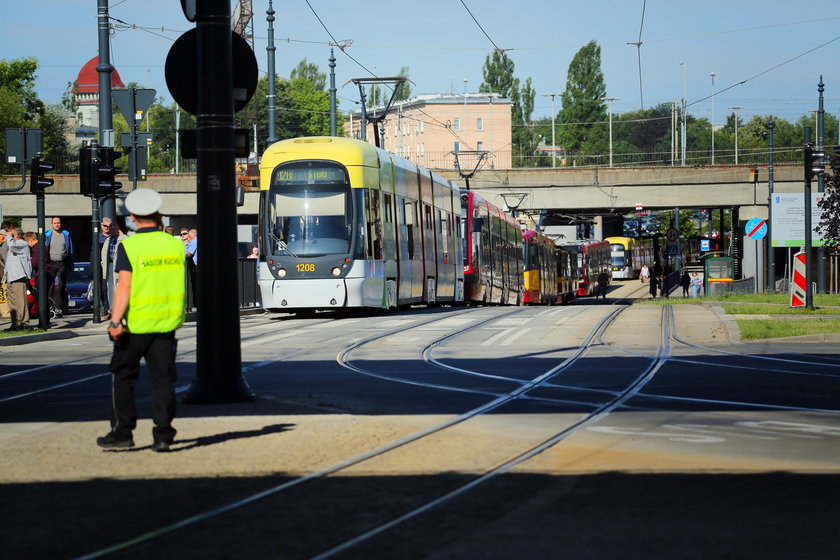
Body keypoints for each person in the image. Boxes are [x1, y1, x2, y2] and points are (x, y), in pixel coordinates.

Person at [97, 189, 186, 452]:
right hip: (166, 323)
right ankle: (163, 434)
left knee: (123, 378)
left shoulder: (130, 246)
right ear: (157, 215)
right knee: (163, 381)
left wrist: (115, 321)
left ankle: (123, 432)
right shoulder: (176, 245)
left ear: (133, 217)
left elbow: (124, 286)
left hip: (134, 324)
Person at [2, 228, 33, 330]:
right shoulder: (14, 244)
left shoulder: (22, 243)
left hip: (19, 277)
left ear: (17, 236)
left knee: (20, 301)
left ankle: (24, 323)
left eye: (12, 235)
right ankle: (15, 323)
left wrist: (9, 235)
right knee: (12, 303)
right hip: (11, 277)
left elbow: (12, 245)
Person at [45, 217, 74, 316]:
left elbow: (70, 251)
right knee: (50, 286)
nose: (56, 225)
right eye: (54, 223)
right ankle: (50, 307)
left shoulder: (66, 234)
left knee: (59, 285)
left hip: (62, 263)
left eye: (58, 223)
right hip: (50, 264)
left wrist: (71, 267)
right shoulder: (47, 234)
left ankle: (58, 307)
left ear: (61, 224)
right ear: (52, 224)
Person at [100, 222, 127, 317]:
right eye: (109, 229)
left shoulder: (124, 239)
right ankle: (111, 311)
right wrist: (103, 265)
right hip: (109, 266)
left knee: (120, 288)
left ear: (117, 229)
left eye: (112, 229)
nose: (110, 231)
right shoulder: (108, 240)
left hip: (120, 267)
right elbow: (103, 254)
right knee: (110, 290)